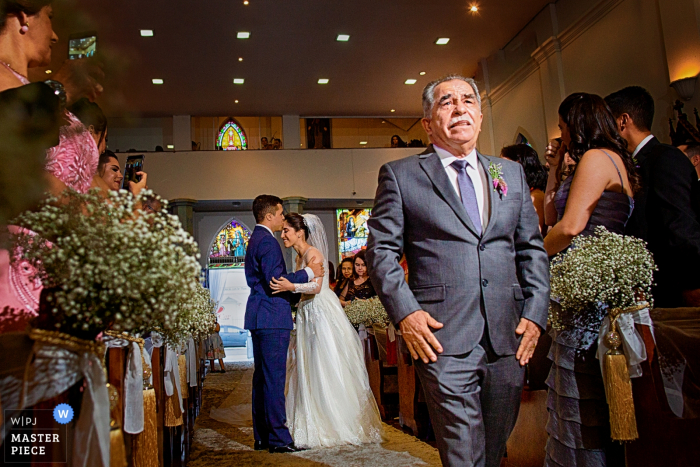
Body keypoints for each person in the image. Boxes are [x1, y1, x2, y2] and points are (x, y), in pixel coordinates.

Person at [366, 74, 550, 467]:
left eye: (468, 100)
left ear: (480, 117)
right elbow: (381, 251)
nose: (459, 107)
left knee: (493, 448)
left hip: (509, 336)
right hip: (442, 336)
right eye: (446, 102)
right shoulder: (402, 176)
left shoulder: (510, 174)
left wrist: (535, 315)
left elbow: (531, 248)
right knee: (463, 451)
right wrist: (407, 313)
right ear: (429, 123)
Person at [543, 92, 638, 467]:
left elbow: (568, 227)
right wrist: (554, 169)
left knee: (580, 399)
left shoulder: (598, 159)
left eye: (564, 127)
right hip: (586, 283)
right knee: (578, 395)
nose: (562, 134)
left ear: (577, 124)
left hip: (586, 297)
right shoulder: (604, 160)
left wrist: (529, 255)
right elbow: (552, 210)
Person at [269, 213, 384, 448]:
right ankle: (309, 416)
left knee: (324, 362)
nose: (283, 235)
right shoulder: (300, 256)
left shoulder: (313, 254)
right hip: (307, 313)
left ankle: (333, 420)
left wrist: (291, 286)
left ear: (300, 232)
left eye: (286, 231)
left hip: (321, 312)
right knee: (308, 364)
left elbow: (316, 286)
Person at [605, 86, 700, 307]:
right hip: (650, 290)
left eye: (606, 123)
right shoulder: (633, 164)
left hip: (675, 289)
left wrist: (693, 285)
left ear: (623, 121)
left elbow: (681, 226)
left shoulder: (664, 158)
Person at [243, 195, 324, 454]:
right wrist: (308, 274)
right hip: (271, 316)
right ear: (269, 216)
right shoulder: (268, 241)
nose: (282, 218)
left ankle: (262, 436)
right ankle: (279, 439)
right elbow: (275, 282)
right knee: (274, 380)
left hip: (259, 315)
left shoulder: (255, 239)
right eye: (280, 214)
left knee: (262, 379)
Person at [500, 144, 548, 233]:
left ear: (518, 165)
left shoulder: (535, 196)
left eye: (504, 164)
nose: (500, 170)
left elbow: (534, 232)